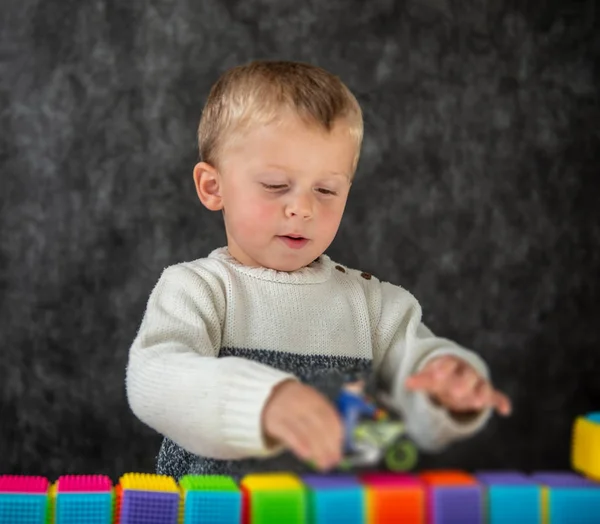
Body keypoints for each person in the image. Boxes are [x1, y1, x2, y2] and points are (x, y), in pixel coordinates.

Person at [125, 60, 512, 480]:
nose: (303, 209)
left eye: (326, 190)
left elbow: (415, 397)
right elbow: (153, 379)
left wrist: (446, 390)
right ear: (212, 187)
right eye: (275, 185)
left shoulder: (374, 306)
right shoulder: (198, 289)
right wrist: (262, 402)